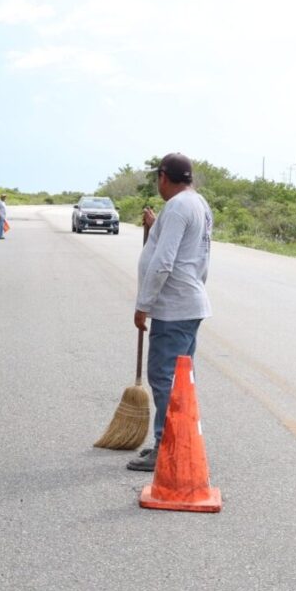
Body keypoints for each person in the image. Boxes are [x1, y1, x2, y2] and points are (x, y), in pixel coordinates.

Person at [127, 153, 213, 471]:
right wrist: (155, 227)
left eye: (157, 178)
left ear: (164, 176)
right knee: (179, 381)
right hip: (189, 303)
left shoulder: (177, 207)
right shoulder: (198, 204)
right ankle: (178, 441)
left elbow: (164, 262)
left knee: (164, 379)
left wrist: (143, 305)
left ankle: (166, 447)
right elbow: (198, 256)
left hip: (174, 309)